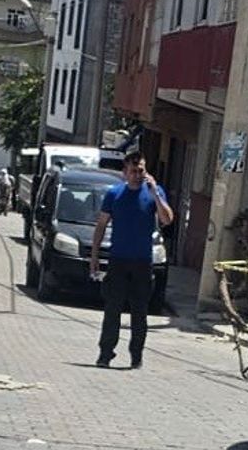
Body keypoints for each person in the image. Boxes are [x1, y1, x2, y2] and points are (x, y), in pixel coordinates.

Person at [89, 151, 174, 369]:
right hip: (118, 261)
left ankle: (136, 355)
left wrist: (155, 193)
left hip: (142, 263)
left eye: (141, 171)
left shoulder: (154, 192)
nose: (137, 175)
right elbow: (101, 225)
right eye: (133, 171)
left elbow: (167, 219)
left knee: (139, 312)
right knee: (112, 309)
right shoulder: (114, 194)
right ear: (125, 173)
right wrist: (95, 255)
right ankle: (105, 354)